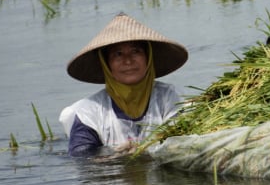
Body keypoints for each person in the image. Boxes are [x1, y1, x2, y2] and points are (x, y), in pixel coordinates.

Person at [60, 12, 188, 157]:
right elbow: (80, 156)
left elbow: (181, 142)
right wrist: (112, 153)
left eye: (136, 51)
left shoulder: (171, 98)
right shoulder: (88, 112)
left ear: (148, 57)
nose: (128, 61)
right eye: (118, 54)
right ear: (106, 64)